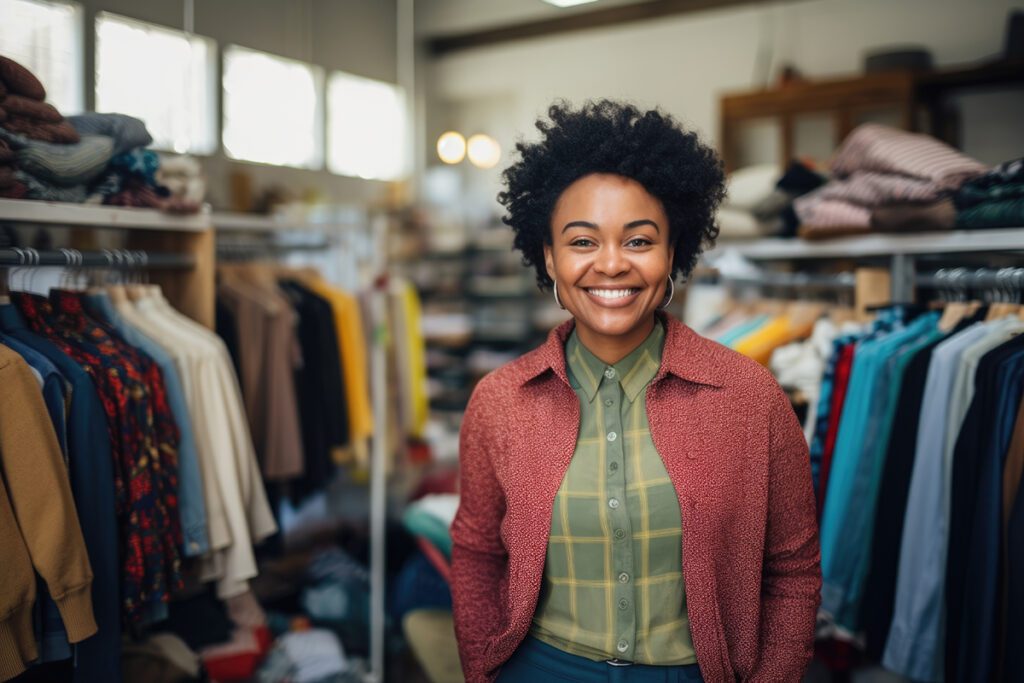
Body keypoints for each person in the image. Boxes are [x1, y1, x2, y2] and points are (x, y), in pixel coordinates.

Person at [450, 100, 821, 683]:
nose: (611, 264)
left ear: (673, 253)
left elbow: (793, 572)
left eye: (639, 241)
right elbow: (476, 556)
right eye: (582, 242)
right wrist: (481, 668)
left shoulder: (750, 396)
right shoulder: (499, 401)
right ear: (548, 257)